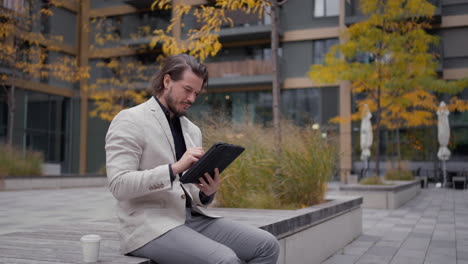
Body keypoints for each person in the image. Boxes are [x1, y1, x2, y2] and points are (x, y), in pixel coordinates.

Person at [105, 54, 280, 264]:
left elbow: (188, 190)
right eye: (187, 90)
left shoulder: (192, 130)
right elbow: (119, 185)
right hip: (149, 225)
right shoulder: (130, 119)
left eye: (196, 93)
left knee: (267, 246)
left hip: (191, 219)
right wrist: (175, 168)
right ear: (167, 81)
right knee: (225, 260)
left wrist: (207, 192)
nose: (192, 99)